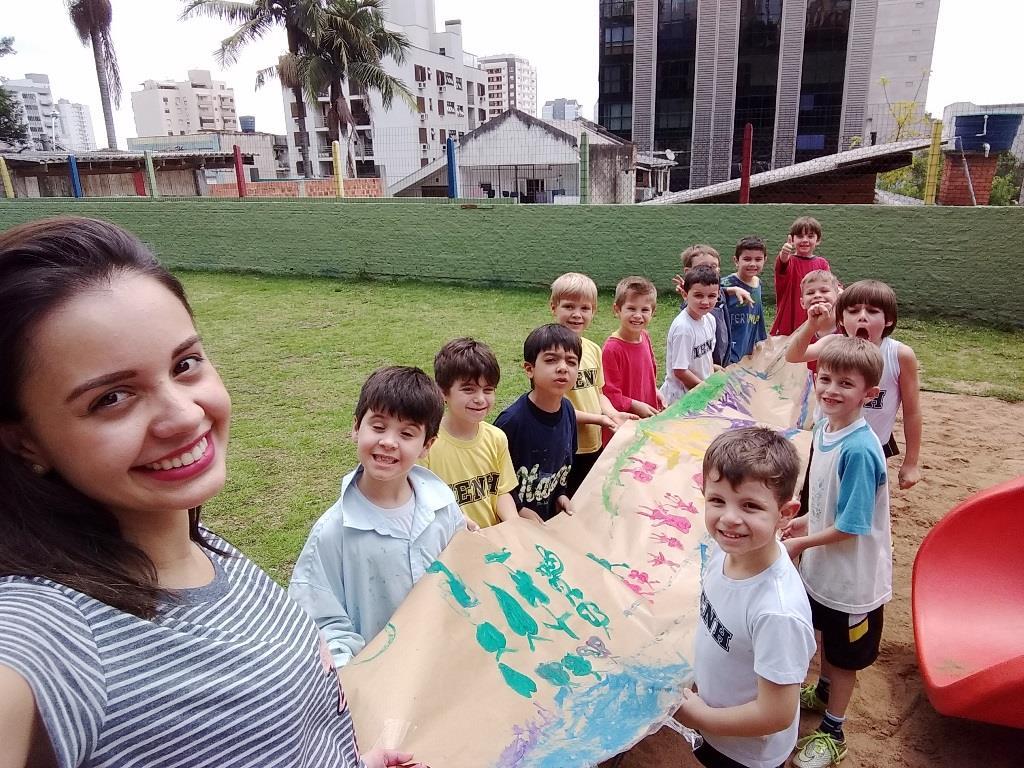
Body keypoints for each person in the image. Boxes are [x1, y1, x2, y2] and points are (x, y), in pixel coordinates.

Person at [0, 217, 419, 768]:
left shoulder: (202, 545)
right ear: (26, 442)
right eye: (111, 398)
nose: (183, 415)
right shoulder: (47, 636)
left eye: (185, 364)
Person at [289, 366, 465, 669]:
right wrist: (344, 666)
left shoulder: (442, 505)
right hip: (380, 682)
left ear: (427, 446)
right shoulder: (333, 533)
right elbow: (321, 621)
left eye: (407, 433)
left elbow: (463, 571)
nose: (389, 442)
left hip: (442, 666)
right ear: (357, 427)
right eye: (379, 426)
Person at [675, 427, 816, 768]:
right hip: (714, 724)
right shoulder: (721, 551)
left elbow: (776, 713)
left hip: (747, 755)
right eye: (717, 500)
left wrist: (701, 716)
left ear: (786, 513)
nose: (729, 518)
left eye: (750, 506)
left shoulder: (777, 612)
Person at [782, 338, 892, 768]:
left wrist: (800, 543)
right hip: (823, 568)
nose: (830, 390)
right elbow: (830, 501)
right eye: (825, 378)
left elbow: (851, 526)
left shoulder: (860, 449)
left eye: (845, 383)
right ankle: (823, 691)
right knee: (824, 632)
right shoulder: (827, 429)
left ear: (869, 394)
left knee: (845, 656)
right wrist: (806, 521)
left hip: (853, 577)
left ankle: (834, 730)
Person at [784, 280, 922, 489]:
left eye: (873, 311)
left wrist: (911, 463)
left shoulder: (899, 355)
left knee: (862, 504)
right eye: (853, 310)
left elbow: (912, 411)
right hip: (827, 441)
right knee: (818, 499)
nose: (862, 316)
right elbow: (793, 355)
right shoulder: (833, 344)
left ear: (889, 320)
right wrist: (812, 325)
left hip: (873, 446)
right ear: (841, 317)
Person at [421, 337, 535, 527]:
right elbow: (423, 504)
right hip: (449, 546)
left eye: (488, 390)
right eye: (469, 389)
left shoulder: (496, 438)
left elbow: (501, 491)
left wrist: (513, 524)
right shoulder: (426, 445)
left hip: (493, 545)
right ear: (442, 391)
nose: (480, 399)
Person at [548, 273, 635, 496]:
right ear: (554, 307)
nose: (577, 315)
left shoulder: (594, 349)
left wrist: (613, 414)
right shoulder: (547, 353)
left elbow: (598, 392)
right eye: (569, 306)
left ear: (594, 311)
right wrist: (601, 419)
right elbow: (554, 407)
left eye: (585, 308)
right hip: (564, 445)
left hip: (592, 442)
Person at [493, 324, 579, 522]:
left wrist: (561, 495)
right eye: (551, 360)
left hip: (549, 522)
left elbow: (564, 465)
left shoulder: (568, 411)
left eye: (571, 361)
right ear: (529, 369)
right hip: (513, 524)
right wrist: (520, 510)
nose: (563, 368)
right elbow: (494, 480)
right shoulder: (511, 422)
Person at [601, 276, 663, 443]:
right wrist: (635, 405)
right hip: (624, 423)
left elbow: (650, 371)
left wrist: (656, 392)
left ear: (653, 311)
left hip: (646, 415)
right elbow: (609, 393)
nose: (638, 315)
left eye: (644, 310)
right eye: (631, 308)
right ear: (617, 309)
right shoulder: (612, 349)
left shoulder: (645, 336)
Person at [672, 244, 751, 368]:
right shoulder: (688, 319)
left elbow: (718, 291)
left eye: (713, 267)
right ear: (688, 272)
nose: (709, 271)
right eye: (703, 267)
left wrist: (734, 289)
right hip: (702, 364)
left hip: (720, 354)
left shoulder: (717, 292)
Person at [661, 265, 721, 406]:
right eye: (698, 295)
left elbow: (705, 356)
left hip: (700, 393)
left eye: (712, 296)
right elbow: (680, 371)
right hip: (681, 399)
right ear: (685, 294)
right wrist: (705, 389)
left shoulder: (710, 320)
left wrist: (719, 370)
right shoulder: (684, 328)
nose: (705, 302)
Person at [770, 217, 831, 338]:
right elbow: (782, 265)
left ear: (818, 240)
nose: (805, 240)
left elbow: (831, 284)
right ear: (792, 240)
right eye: (800, 236)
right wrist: (784, 253)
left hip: (814, 313)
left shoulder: (822, 263)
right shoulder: (789, 261)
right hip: (790, 316)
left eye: (810, 236)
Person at [721, 236, 769, 364]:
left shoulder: (758, 283)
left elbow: (757, 315)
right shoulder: (725, 285)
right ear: (736, 260)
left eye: (758, 259)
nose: (753, 263)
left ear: (765, 260)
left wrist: (759, 341)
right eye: (747, 259)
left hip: (747, 346)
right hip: (728, 349)